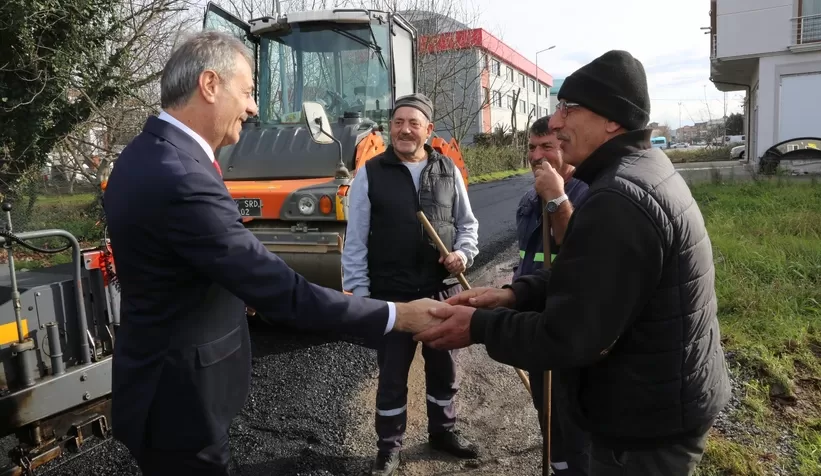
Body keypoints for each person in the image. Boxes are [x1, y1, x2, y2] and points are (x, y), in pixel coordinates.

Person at [103, 31, 445, 476]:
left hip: (160, 381)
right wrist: (398, 316)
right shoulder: (181, 176)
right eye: (246, 92)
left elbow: (181, 266)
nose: (252, 107)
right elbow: (287, 293)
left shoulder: (144, 153)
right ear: (209, 85)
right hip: (180, 401)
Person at [415, 50, 732, 476]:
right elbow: (589, 279)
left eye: (569, 107)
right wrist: (513, 294)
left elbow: (571, 335)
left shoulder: (619, 198)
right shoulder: (640, 171)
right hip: (658, 399)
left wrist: (478, 326)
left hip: (644, 425)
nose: (558, 120)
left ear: (612, 119)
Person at [341, 93, 480, 475]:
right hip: (392, 297)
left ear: (428, 130)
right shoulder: (370, 173)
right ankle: (389, 448)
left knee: (444, 371)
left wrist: (463, 256)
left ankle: (443, 433)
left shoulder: (448, 170)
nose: (404, 129)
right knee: (391, 377)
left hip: (441, 293)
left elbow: (468, 227)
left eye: (413, 123)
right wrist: (362, 299)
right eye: (398, 122)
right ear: (391, 127)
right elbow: (355, 241)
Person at [515, 115, 590, 476]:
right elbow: (526, 259)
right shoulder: (529, 201)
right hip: (534, 320)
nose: (536, 155)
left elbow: (580, 251)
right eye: (531, 146)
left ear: (565, 145)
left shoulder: (587, 194)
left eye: (547, 145)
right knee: (547, 413)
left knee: (570, 415)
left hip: (568, 325)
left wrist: (556, 198)